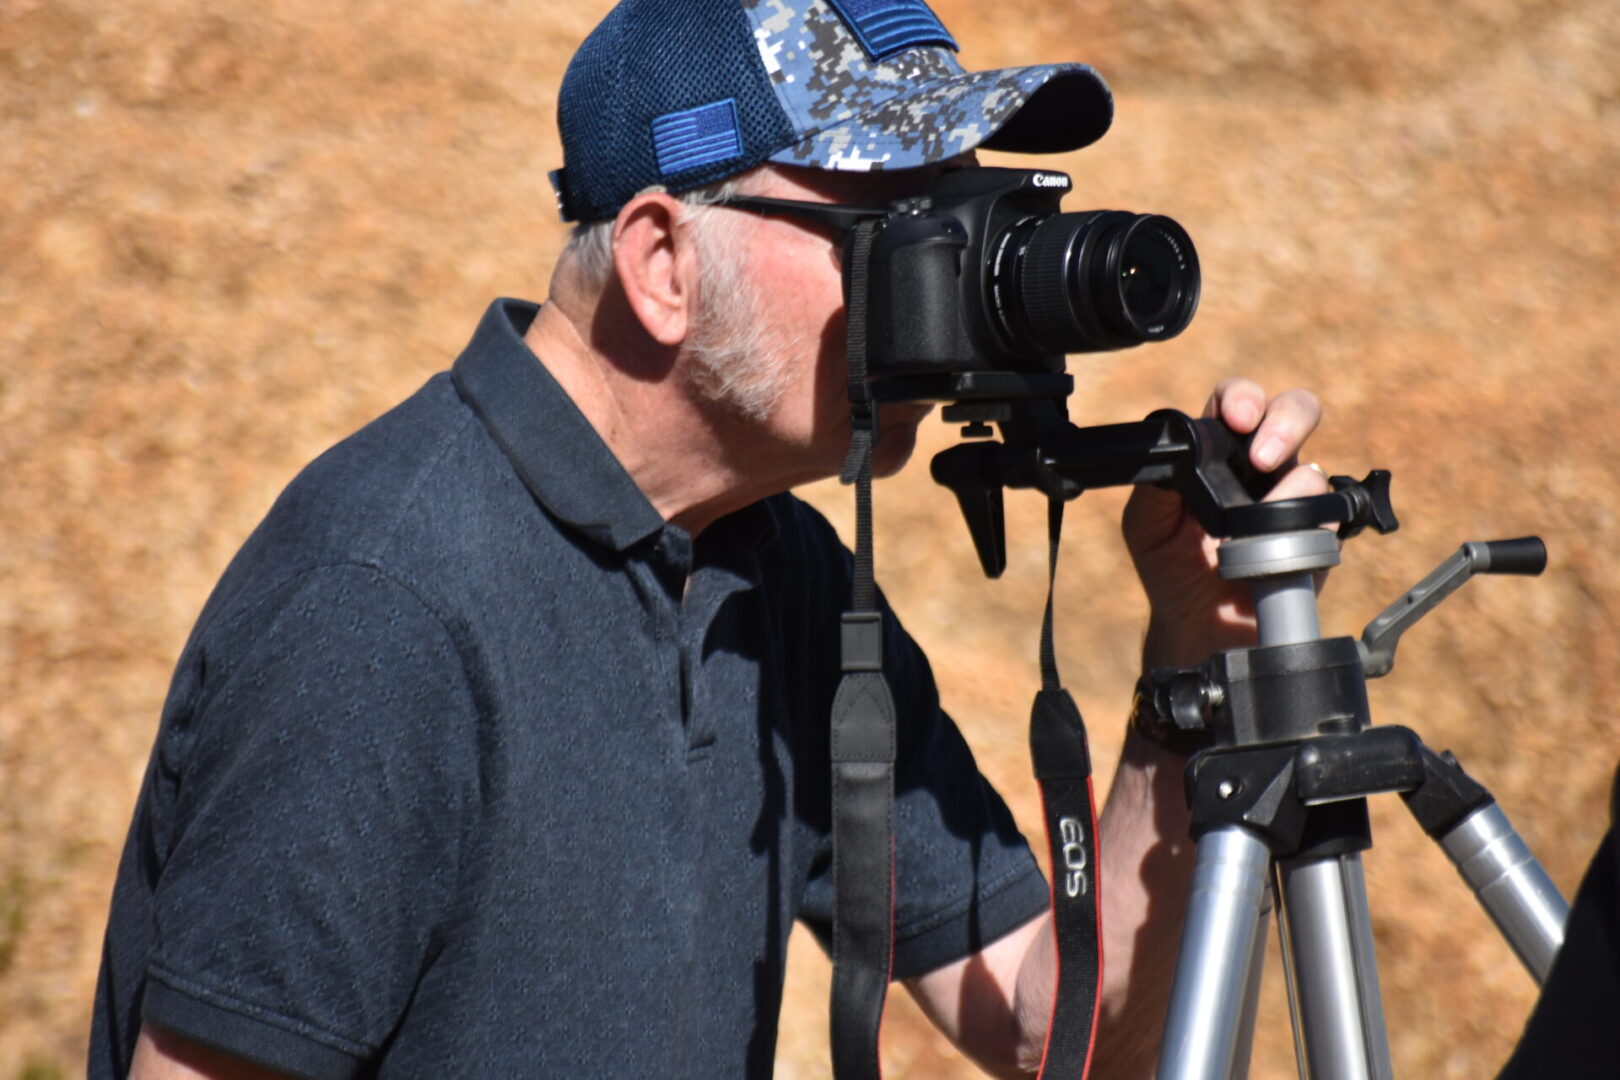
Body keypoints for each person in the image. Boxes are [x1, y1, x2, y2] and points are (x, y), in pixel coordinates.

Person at [89, 1, 1326, 1077]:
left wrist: (1193, 668)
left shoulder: (767, 569)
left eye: (951, 206)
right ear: (662, 263)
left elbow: (1058, 1030)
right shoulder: (389, 604)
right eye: (889, 225)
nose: (941, 283)